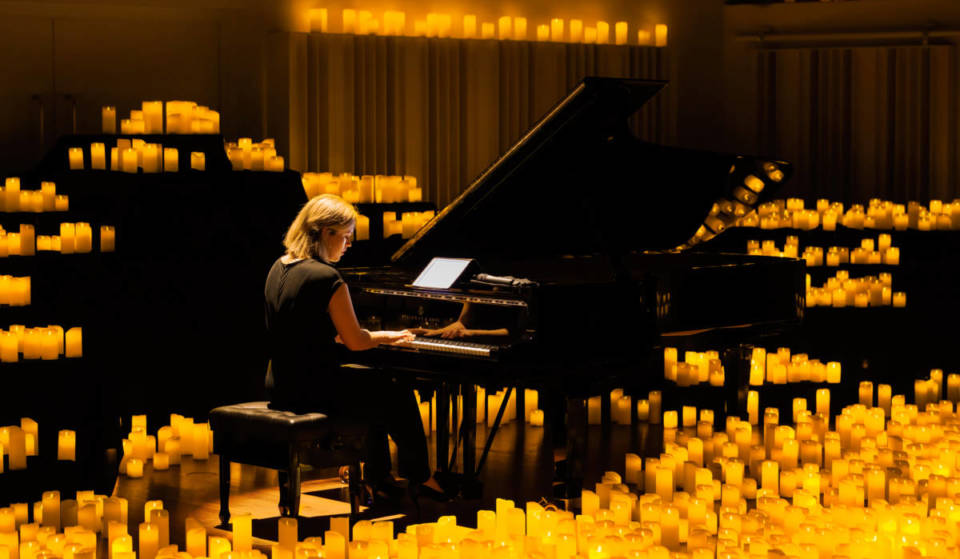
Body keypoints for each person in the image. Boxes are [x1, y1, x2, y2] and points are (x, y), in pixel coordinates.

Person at [264, 194, 446, 502]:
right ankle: (421, 476)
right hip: (314, 388)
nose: (349, 244)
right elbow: (357, 341)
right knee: (394, 387)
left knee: (371, 387)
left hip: (280, 383)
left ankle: (379, 476)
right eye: (346, 236)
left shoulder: (279, 266)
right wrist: (389, 336)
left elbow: (301, 329)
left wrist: (336, 337)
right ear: (326, 232)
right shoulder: (326, 276)